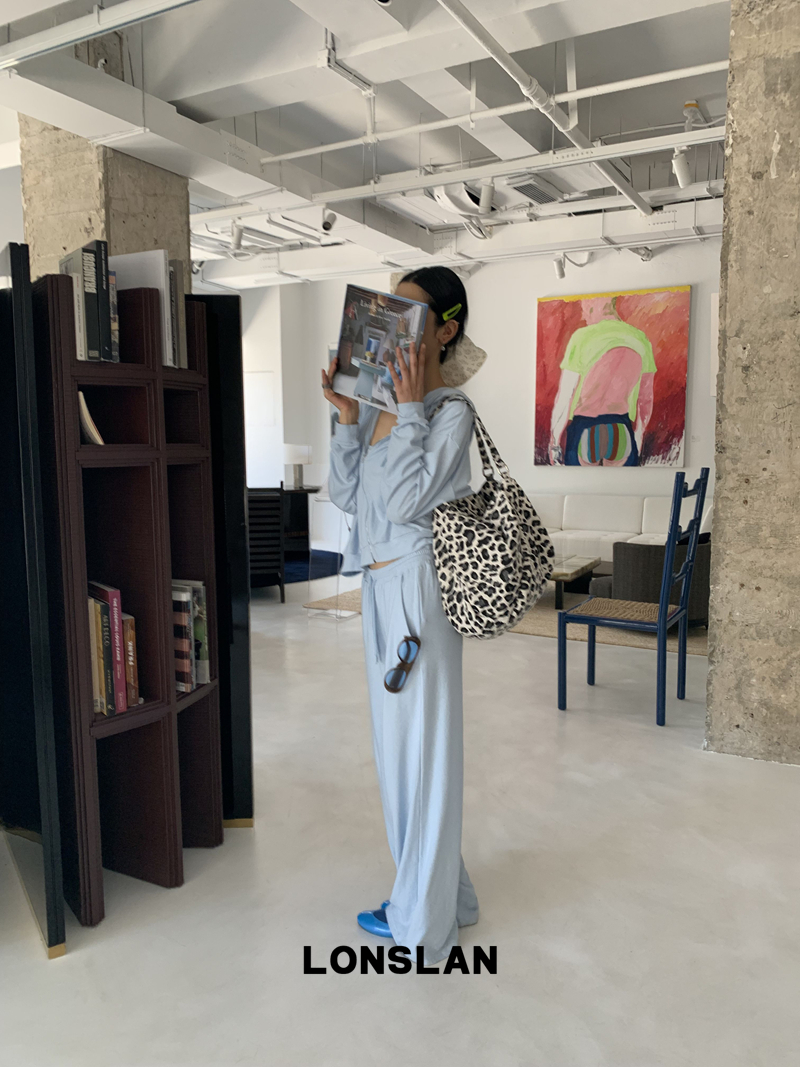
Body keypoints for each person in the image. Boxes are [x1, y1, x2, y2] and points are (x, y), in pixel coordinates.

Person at [322, 266, 480, 966]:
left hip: (419, 590)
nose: (394, 325)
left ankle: (423, 926)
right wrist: (347, 418)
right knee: (399, 757)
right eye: (388, 310)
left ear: (444, 330)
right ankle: (446, 897)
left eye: (410, 314)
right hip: (379, 586)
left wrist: (410, 411)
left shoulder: (448, 412)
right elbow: (348, 496)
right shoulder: (384, 406)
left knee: (423, 756)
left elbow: (409, 501)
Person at [549, 295, 656, 466]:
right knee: (620, 484)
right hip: (621, 428)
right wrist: (639, 435)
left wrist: (554, 441)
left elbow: (565, 396)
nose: (584, 315)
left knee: (578, 483)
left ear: (593, 304)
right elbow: (645, 399)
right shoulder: (640, 339)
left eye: (584, 308)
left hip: (584, 427)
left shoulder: (582, 337)